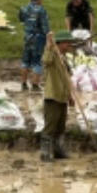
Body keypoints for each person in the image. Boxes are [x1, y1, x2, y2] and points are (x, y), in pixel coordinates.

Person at [40, 30, 77, 162]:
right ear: (60, 44)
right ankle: (45, 153)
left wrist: (70, 96)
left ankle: (58, 151)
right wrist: (48, 45)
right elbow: (46, 60)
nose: (69, 45)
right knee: (50, 126)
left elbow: (66, 79)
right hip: (53, 96)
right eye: (67, 43)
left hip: (62, 97)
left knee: (60, 127)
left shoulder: (63, 58)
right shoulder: (53, 56)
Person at [18, 0, 49, 92]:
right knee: (37, 61)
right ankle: (35, 85)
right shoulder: (41, 10)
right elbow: (45, 28)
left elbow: (21, 19)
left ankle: (23, 83)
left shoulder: (24, 9)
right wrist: (49, 38)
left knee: (25, 61)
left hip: (27, 37)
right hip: (38, 38)